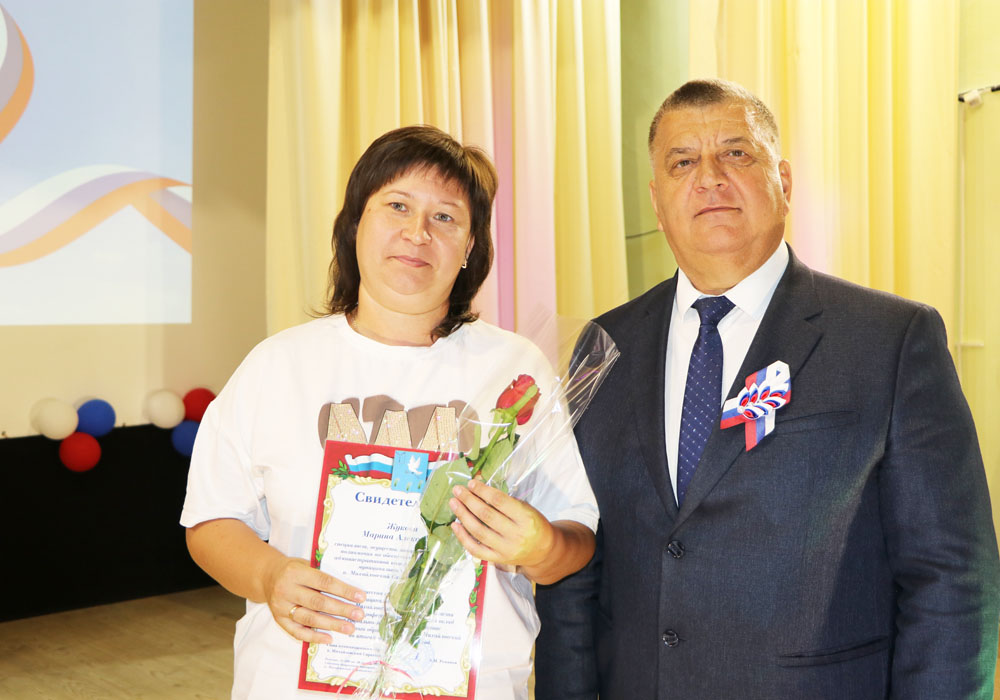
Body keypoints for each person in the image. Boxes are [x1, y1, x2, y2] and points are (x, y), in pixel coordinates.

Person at [534, 79, 1000, 699]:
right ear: (656, 200)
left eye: (736, 153)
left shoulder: (889, 340)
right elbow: (576, 567)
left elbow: (952, 580)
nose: (709, 178)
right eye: (682, 162)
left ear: (783, 179)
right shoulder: (605, 346)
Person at [181, 125, 597, 700]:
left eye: (445, 217)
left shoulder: (514, 371)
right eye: (397, 206)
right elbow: (211, 522)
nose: (417, 232)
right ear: (355, 223)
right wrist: (268, 576)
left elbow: (573, 538)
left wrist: (539, 547)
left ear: (471, 247)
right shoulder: (278, 365)